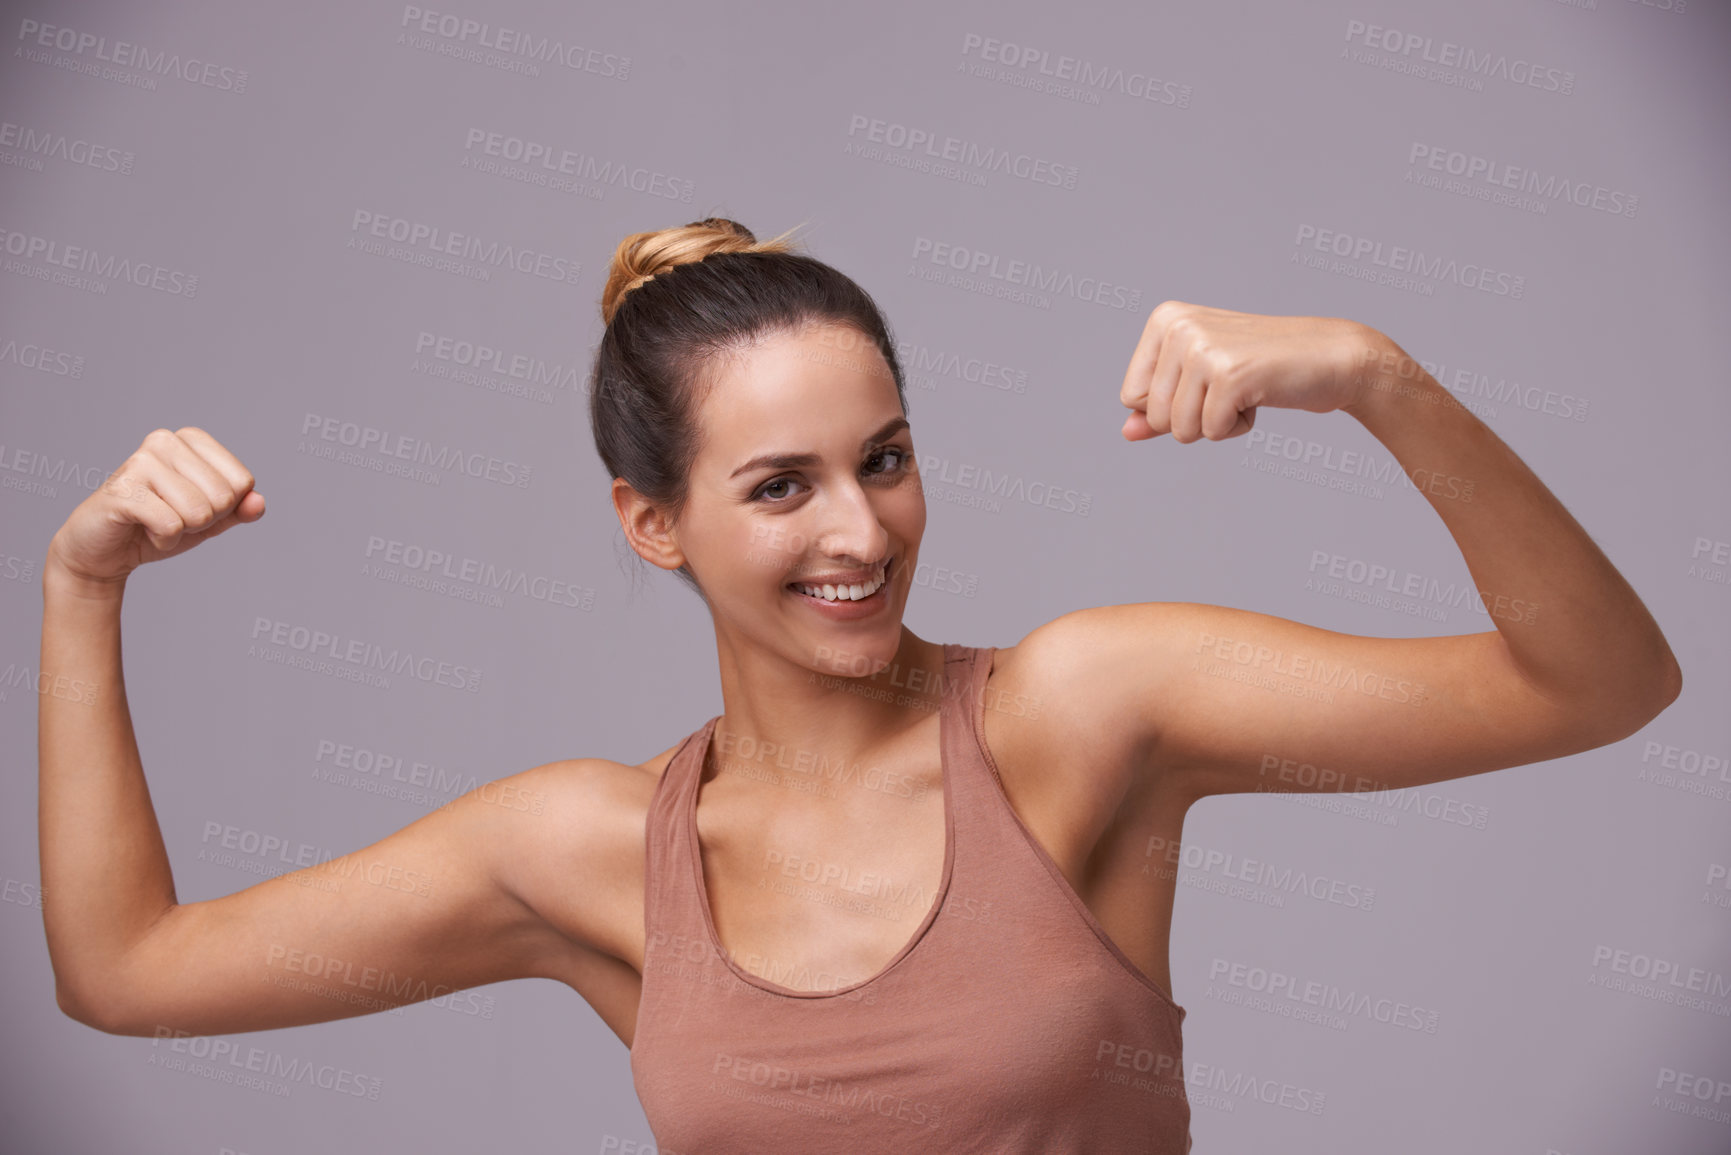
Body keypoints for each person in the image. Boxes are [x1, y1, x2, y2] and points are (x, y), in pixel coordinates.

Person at [38, 216, 1682, 1153]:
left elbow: (1598, 684)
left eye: (883, 459)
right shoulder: (594, 856)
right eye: (780, 486)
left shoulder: (1082, 715)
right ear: (651, 521)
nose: (860, 530)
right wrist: (81, 585)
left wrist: (1375, 377)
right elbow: (127, 972)